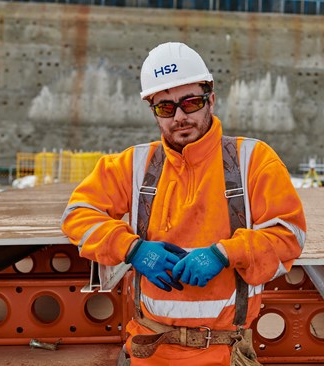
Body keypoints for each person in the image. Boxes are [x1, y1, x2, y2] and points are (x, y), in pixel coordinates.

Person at [61, 42, 306, 366]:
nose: (179, 116)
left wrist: (226, 253)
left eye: (190, 103)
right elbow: (77, 215)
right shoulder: (133, 165)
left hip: (226, 353)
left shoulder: (253, 160)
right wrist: (132, 249)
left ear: (211, 100)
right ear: (154, 112)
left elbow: (289, 236)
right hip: (148, 351)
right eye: (165, 108)